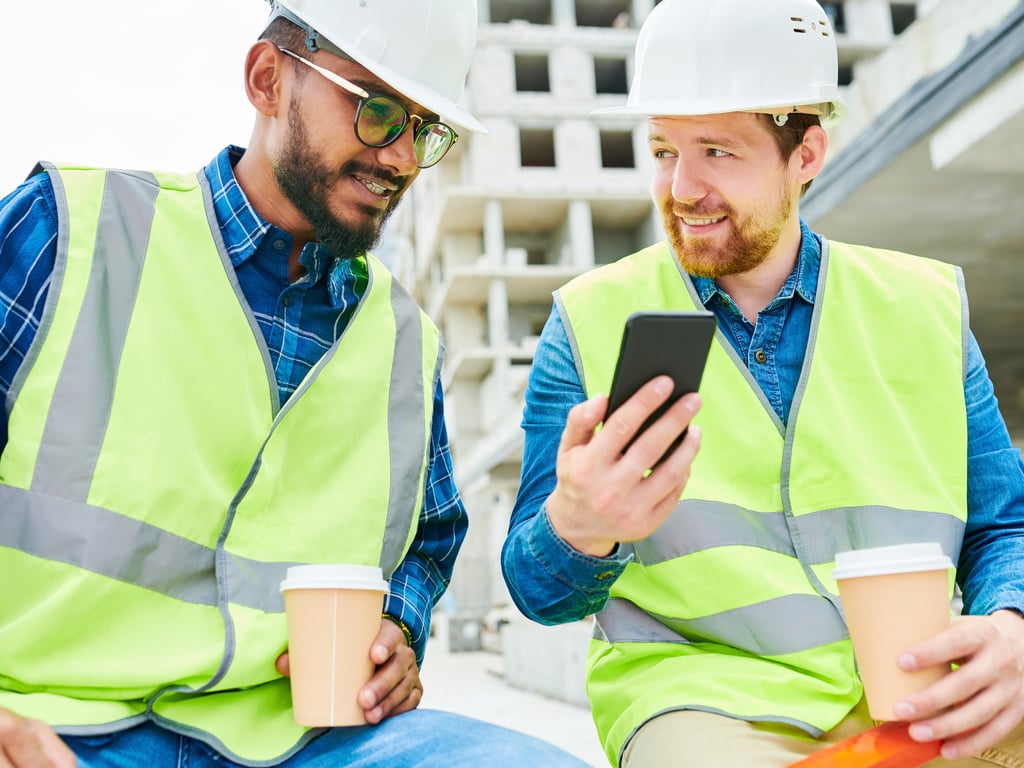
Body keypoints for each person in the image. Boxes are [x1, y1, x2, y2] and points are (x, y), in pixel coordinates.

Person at [0, 1, 591, 767]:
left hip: (297, 739)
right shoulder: (73, 233)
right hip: (55, 724)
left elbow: (431, 536)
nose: (401, 158)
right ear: (267, 79)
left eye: (424, 130)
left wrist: (398, 628)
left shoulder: (406, 341)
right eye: (377, 109)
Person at [500, 0, 1024, 766]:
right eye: (664, 150)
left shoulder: (926, 306)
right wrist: (578, 528)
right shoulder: (588, 322)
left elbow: (1003, 526)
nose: (682, 187)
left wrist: (1011, 626)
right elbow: (537, 592)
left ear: (806, 154)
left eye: (717, 151)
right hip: (700, 703)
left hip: (912, 678)